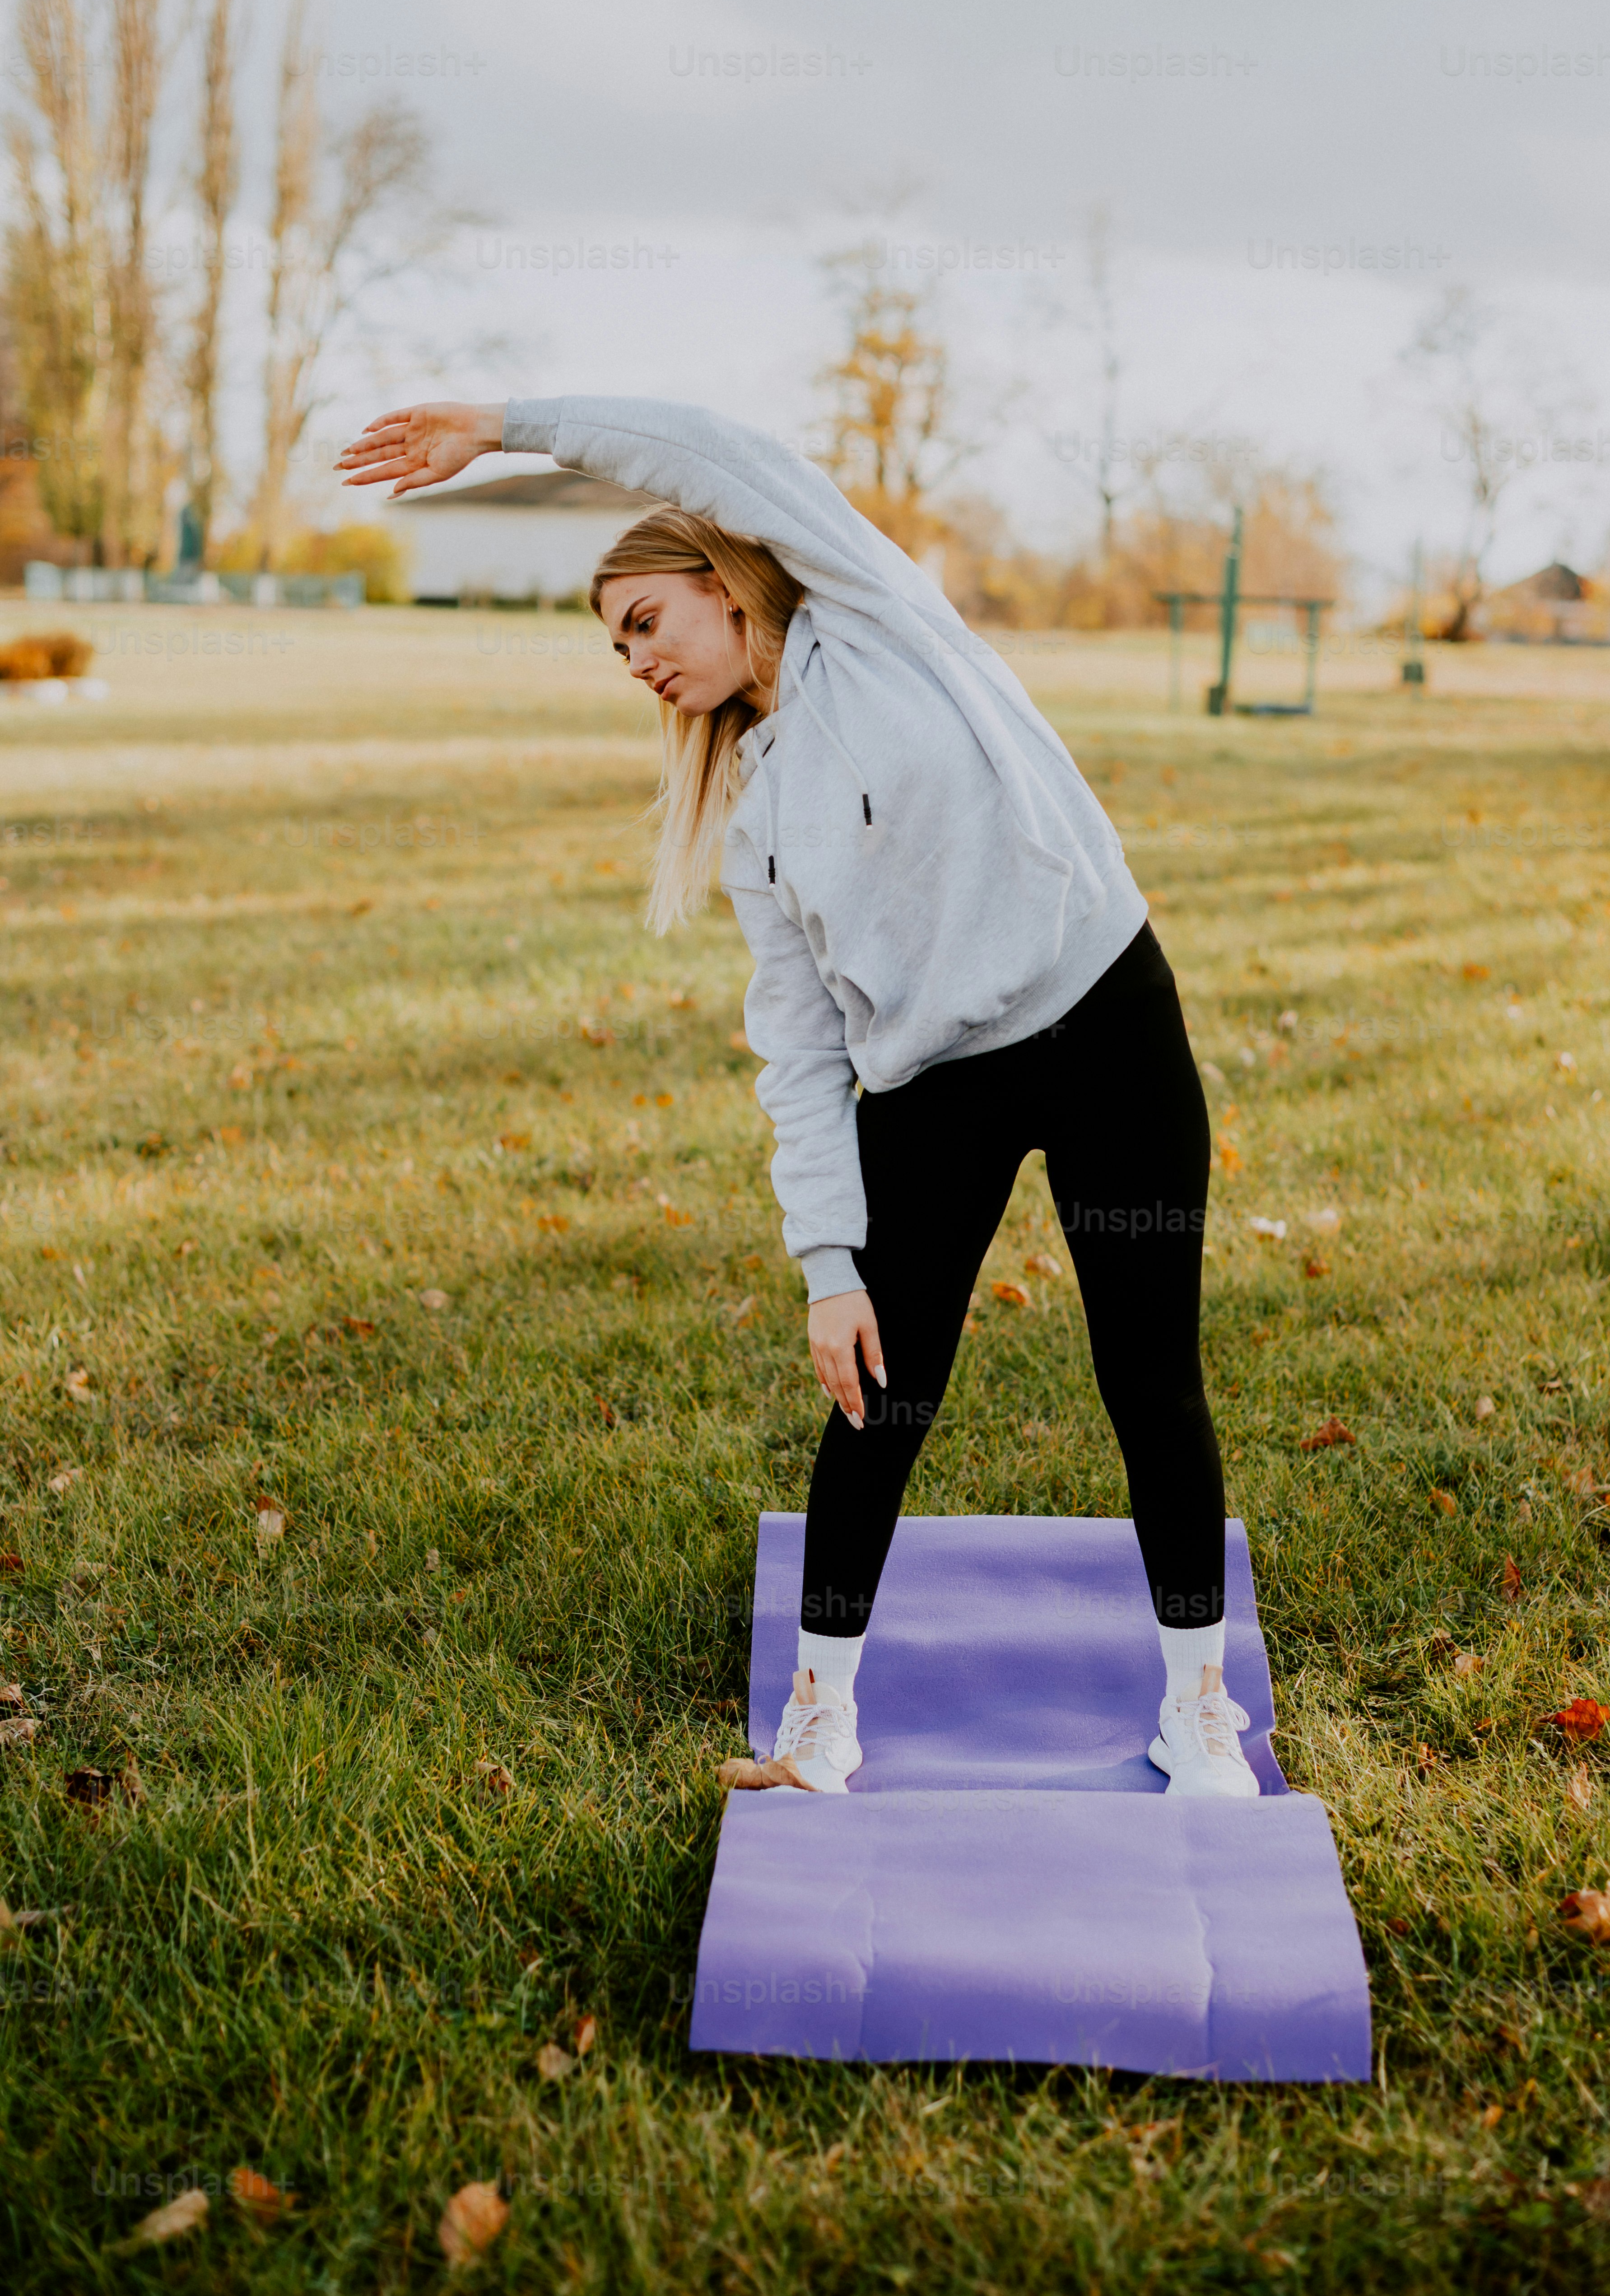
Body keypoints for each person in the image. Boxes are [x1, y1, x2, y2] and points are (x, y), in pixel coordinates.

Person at [337, 395, 1258, 1802]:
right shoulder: (755, 812)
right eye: (615, 644)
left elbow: (714, 451)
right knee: (880, 1399)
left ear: (724, 579)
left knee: (1149, 1373)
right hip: (931, 1086)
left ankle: (1200, 1709)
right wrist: (831, 1268)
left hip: (1104, 1017)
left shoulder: (874, 610)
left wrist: (508, 424)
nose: (635, 659)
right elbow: (801, 1055)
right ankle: (819, 1720)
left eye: (646, 620)